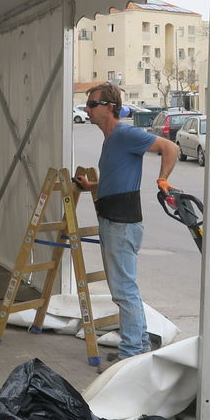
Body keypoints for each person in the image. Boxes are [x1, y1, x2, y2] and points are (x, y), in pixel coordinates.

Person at [73, 82, 178, 360]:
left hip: (122, 223)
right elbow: (118, 179)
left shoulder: (125, 133)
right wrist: (92, 188)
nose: (88, 110)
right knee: (124, 289)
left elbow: (170, 148)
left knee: (124, 291)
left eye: (93, 105)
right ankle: (139, 346)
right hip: (113, 219)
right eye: (88, 105)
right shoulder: (111, 139)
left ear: (109, 107)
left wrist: (163, 178)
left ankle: (130, 353)